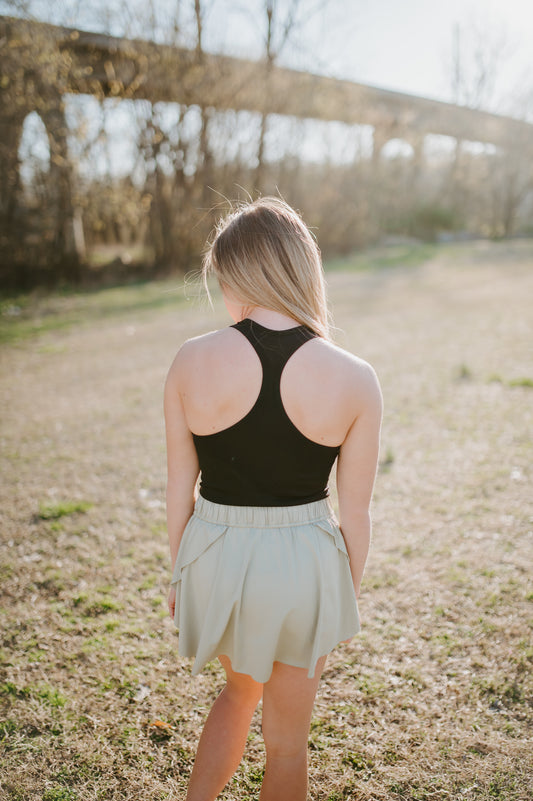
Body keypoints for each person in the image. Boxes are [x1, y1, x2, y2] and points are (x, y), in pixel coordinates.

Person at [164, 196, 382, 801]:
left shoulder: (190, 360)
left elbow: (178, 486)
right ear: (300, 267)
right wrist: (344, 594)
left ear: (238, 273)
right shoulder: (355, 376)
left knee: (237, 693)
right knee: (288, 744)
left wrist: (180, 570)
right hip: (303, 566)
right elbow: (356, 514)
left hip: (217, 555)